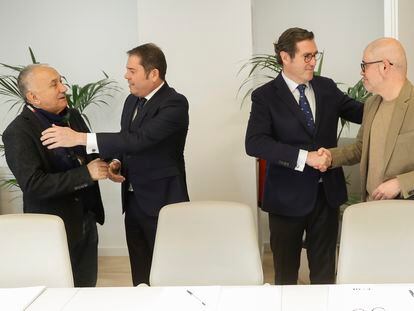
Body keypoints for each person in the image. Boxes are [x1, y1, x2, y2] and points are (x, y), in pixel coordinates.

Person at [40, 43, 190, 285]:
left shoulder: (175, 103)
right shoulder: (132, 100)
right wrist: (116, 162)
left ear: (153, 74)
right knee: (140, 270)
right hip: (133, 201)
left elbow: (141, 140)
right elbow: (126, 143)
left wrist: (79, 138)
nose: (125, 76)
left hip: (163, 200)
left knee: (170, 271)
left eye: (132, 70)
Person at [245, 27, 363, 285]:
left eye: (315, 55)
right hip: (285, 200)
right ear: (285, 57)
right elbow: (255, 143)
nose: (313, 62)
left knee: (324, 275)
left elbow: (365, 113)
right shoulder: (265, 96)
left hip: (327, 197)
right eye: (307, 56)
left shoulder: (327, 87)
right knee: (286, 277)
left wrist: (393, 98)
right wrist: (305, 157)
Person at [3, 64, 107, 287]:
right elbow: (34, 185)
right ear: (33, 97)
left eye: (61, 81)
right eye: (55, 84)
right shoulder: (17, 132)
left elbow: (91, 153)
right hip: (52, 228)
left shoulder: (73, 116)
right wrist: (85, 174)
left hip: (86, 220)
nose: (64, 88)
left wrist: (111, 165)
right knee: (58, 294)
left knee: (86, 290)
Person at [320, 38, 414, 201]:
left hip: (405, 213)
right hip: (371, 207)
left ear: (384, 66)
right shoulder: (371, 104)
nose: (361, 72)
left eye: (364, 65)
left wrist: (401, 184)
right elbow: (360, 148)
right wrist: (329, 157)